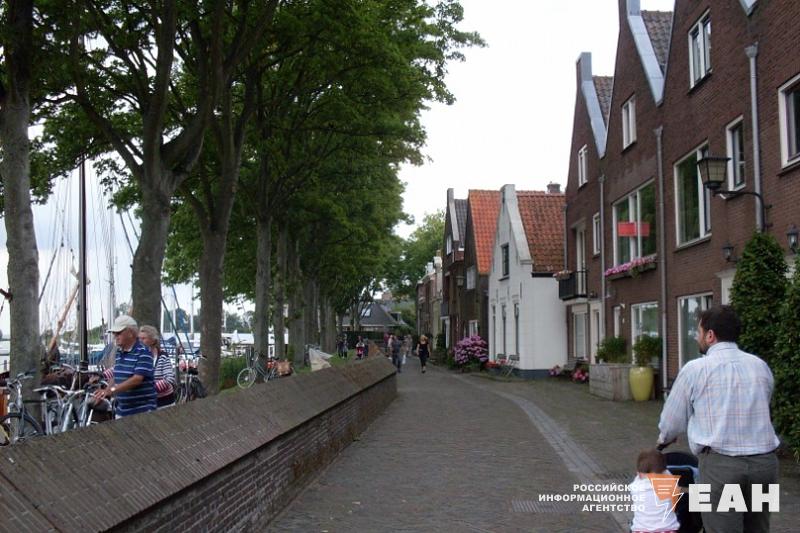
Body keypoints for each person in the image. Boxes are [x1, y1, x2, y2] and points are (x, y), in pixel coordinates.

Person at [657, 305, 779, 533]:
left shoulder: (695, 369)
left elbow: (672, 421)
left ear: (710, 335)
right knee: (759, 528)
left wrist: (664, 439)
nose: (696, 336)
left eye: (699, 331)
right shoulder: (760, 366)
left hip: (720, 468)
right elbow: (764, 404)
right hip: (765, 466)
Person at [93, 315, 157, 417]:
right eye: (114, 333)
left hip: (142, 411)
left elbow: (137, 379)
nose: (115, 336)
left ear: (130, 333)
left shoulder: (143, 352)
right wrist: (106, 391)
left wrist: (112, 390)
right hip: (122, 410)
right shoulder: (119, 352)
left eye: (118, 333)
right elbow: (116, 375)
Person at [628, 449, 680, 533]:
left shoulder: (635, 487)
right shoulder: (670, 484)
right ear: (664, 472)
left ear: (639, 473)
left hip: (641, 530)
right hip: (667, 529)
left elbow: (638, 478)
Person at [139, 325, 176, 408]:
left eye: (143, 338)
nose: (140, 341)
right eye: (139, 338)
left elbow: (169, 378)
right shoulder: (138, 356)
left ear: (153, 340)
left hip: (164, 402)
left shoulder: (162, 356)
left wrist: (151, 389)